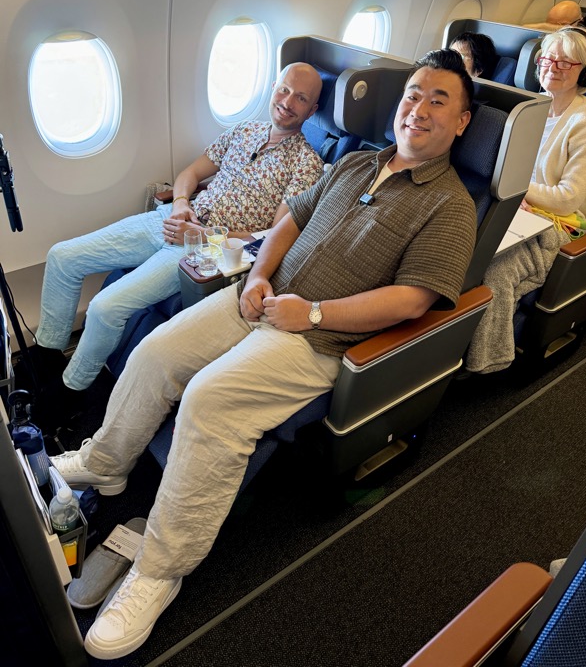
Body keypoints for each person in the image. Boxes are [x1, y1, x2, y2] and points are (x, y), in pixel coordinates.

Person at [50, 49, 477, 660]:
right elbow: (290, 223)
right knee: (153, 352)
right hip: (261, 298)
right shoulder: (355, 162)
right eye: (413, 94)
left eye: (439, 100)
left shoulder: (450, 206)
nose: (420, 108)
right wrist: (257, 278)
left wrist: (315, 313)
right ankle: (105, 463)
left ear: (461, 123)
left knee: (208, 401)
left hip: (318, 338)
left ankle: (161, 570)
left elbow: (413, 301)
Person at [32, 62, 325, 405]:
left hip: (203, 251)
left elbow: (273, 234)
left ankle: (69, 392)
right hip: (170, 220)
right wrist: (181, 203)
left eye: (301, 98)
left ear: (312, 110)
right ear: (274, 86)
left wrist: (205, 235)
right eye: (285, 90)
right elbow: (191, 172)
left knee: (104, 308)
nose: (288, 102)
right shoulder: (243, 130)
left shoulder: (307, 164)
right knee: (62, 257)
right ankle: (45, 363)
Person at [465, 27, 586, 374]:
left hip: (562, 224)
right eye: (546, 59)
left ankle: (489, 361)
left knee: (495, 269)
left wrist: (518, 192)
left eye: (565, 63)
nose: (551, 67)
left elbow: (570, 198)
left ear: (585, 73)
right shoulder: (529, 108)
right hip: (519, 207)